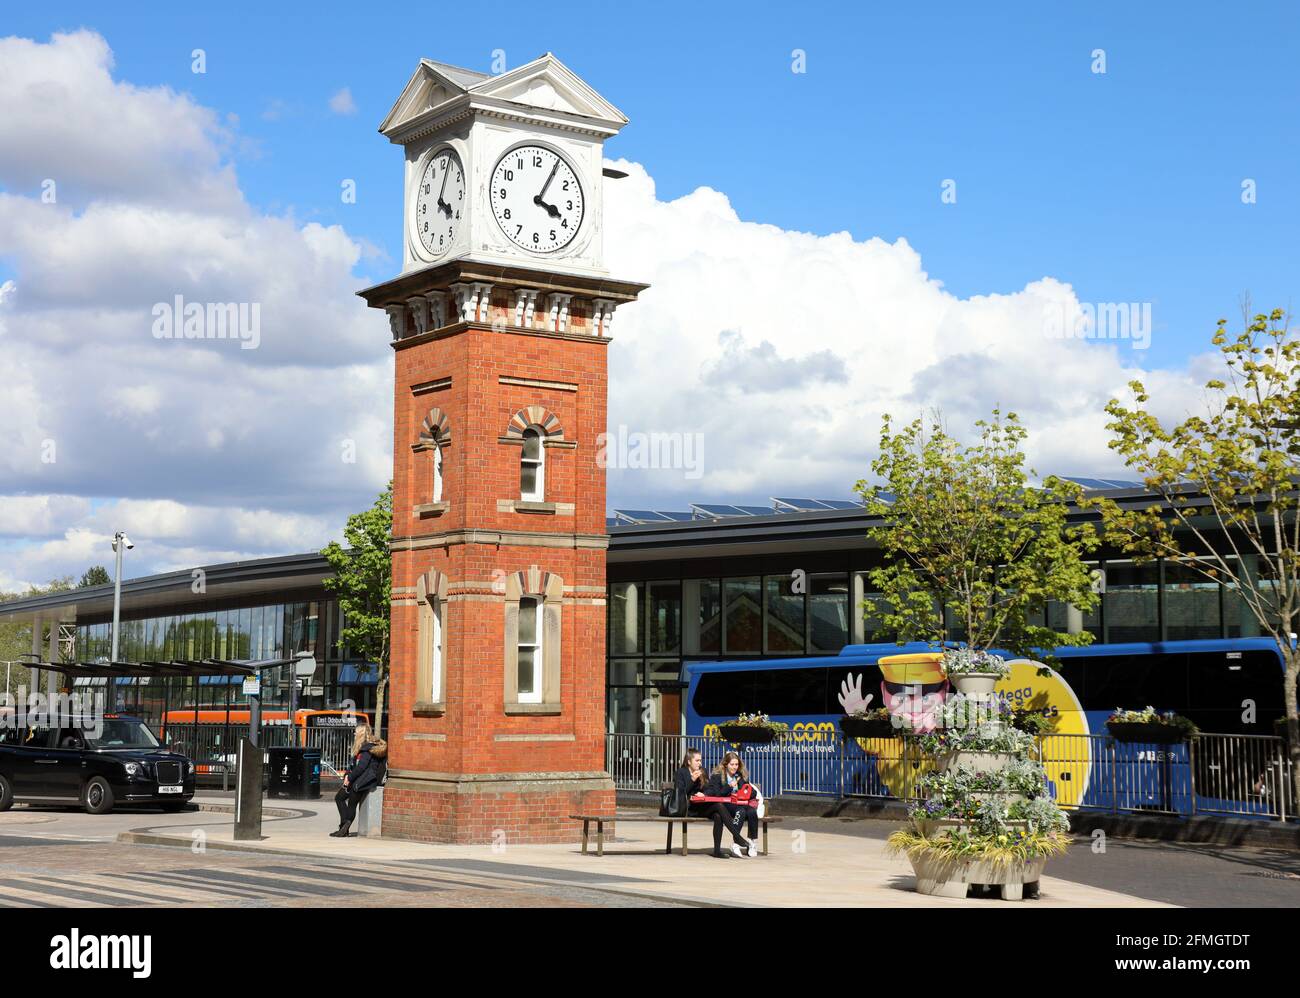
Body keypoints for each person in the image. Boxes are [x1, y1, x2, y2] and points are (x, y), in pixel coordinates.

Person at [330, 723, 387, 838]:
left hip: (364, 780)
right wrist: (347, 775)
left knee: (352, 803)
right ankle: (343, 827)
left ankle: (344, 829)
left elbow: (361, 767)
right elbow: (353, 765)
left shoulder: (367, 749)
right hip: (356, 778)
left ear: (361, 734)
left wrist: (350, 779)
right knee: (339, 798)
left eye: (356, 731)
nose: (354, 733)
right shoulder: (361, 747)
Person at [701, 751, 757, 858]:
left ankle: (752, 842)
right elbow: (717, 794)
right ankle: (737, 841)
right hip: (725, 805)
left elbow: (751, 792)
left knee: (751, 811)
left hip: (739, 803)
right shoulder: (717, 776)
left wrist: (746, 788)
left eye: (737, 764)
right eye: (732, 764)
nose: (735, 767)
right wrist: (730, 786)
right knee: (741, 811)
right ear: (726, 764)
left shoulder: (740, 775)